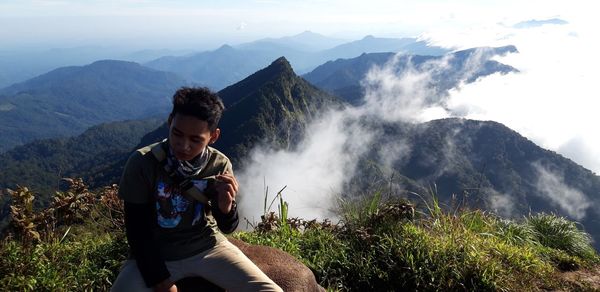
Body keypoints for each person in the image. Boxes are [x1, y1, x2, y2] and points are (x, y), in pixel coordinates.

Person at [111, 87, 282, 292]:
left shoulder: (219, 165)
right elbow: (137, 231)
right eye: (177, 134)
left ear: (213, 136)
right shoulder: (143, 163)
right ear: (169, 122)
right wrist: (161, 281)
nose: (183, 146)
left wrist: (226, 207)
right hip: (158, 253)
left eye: (195, 139)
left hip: (208, 248)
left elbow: (228, 227)